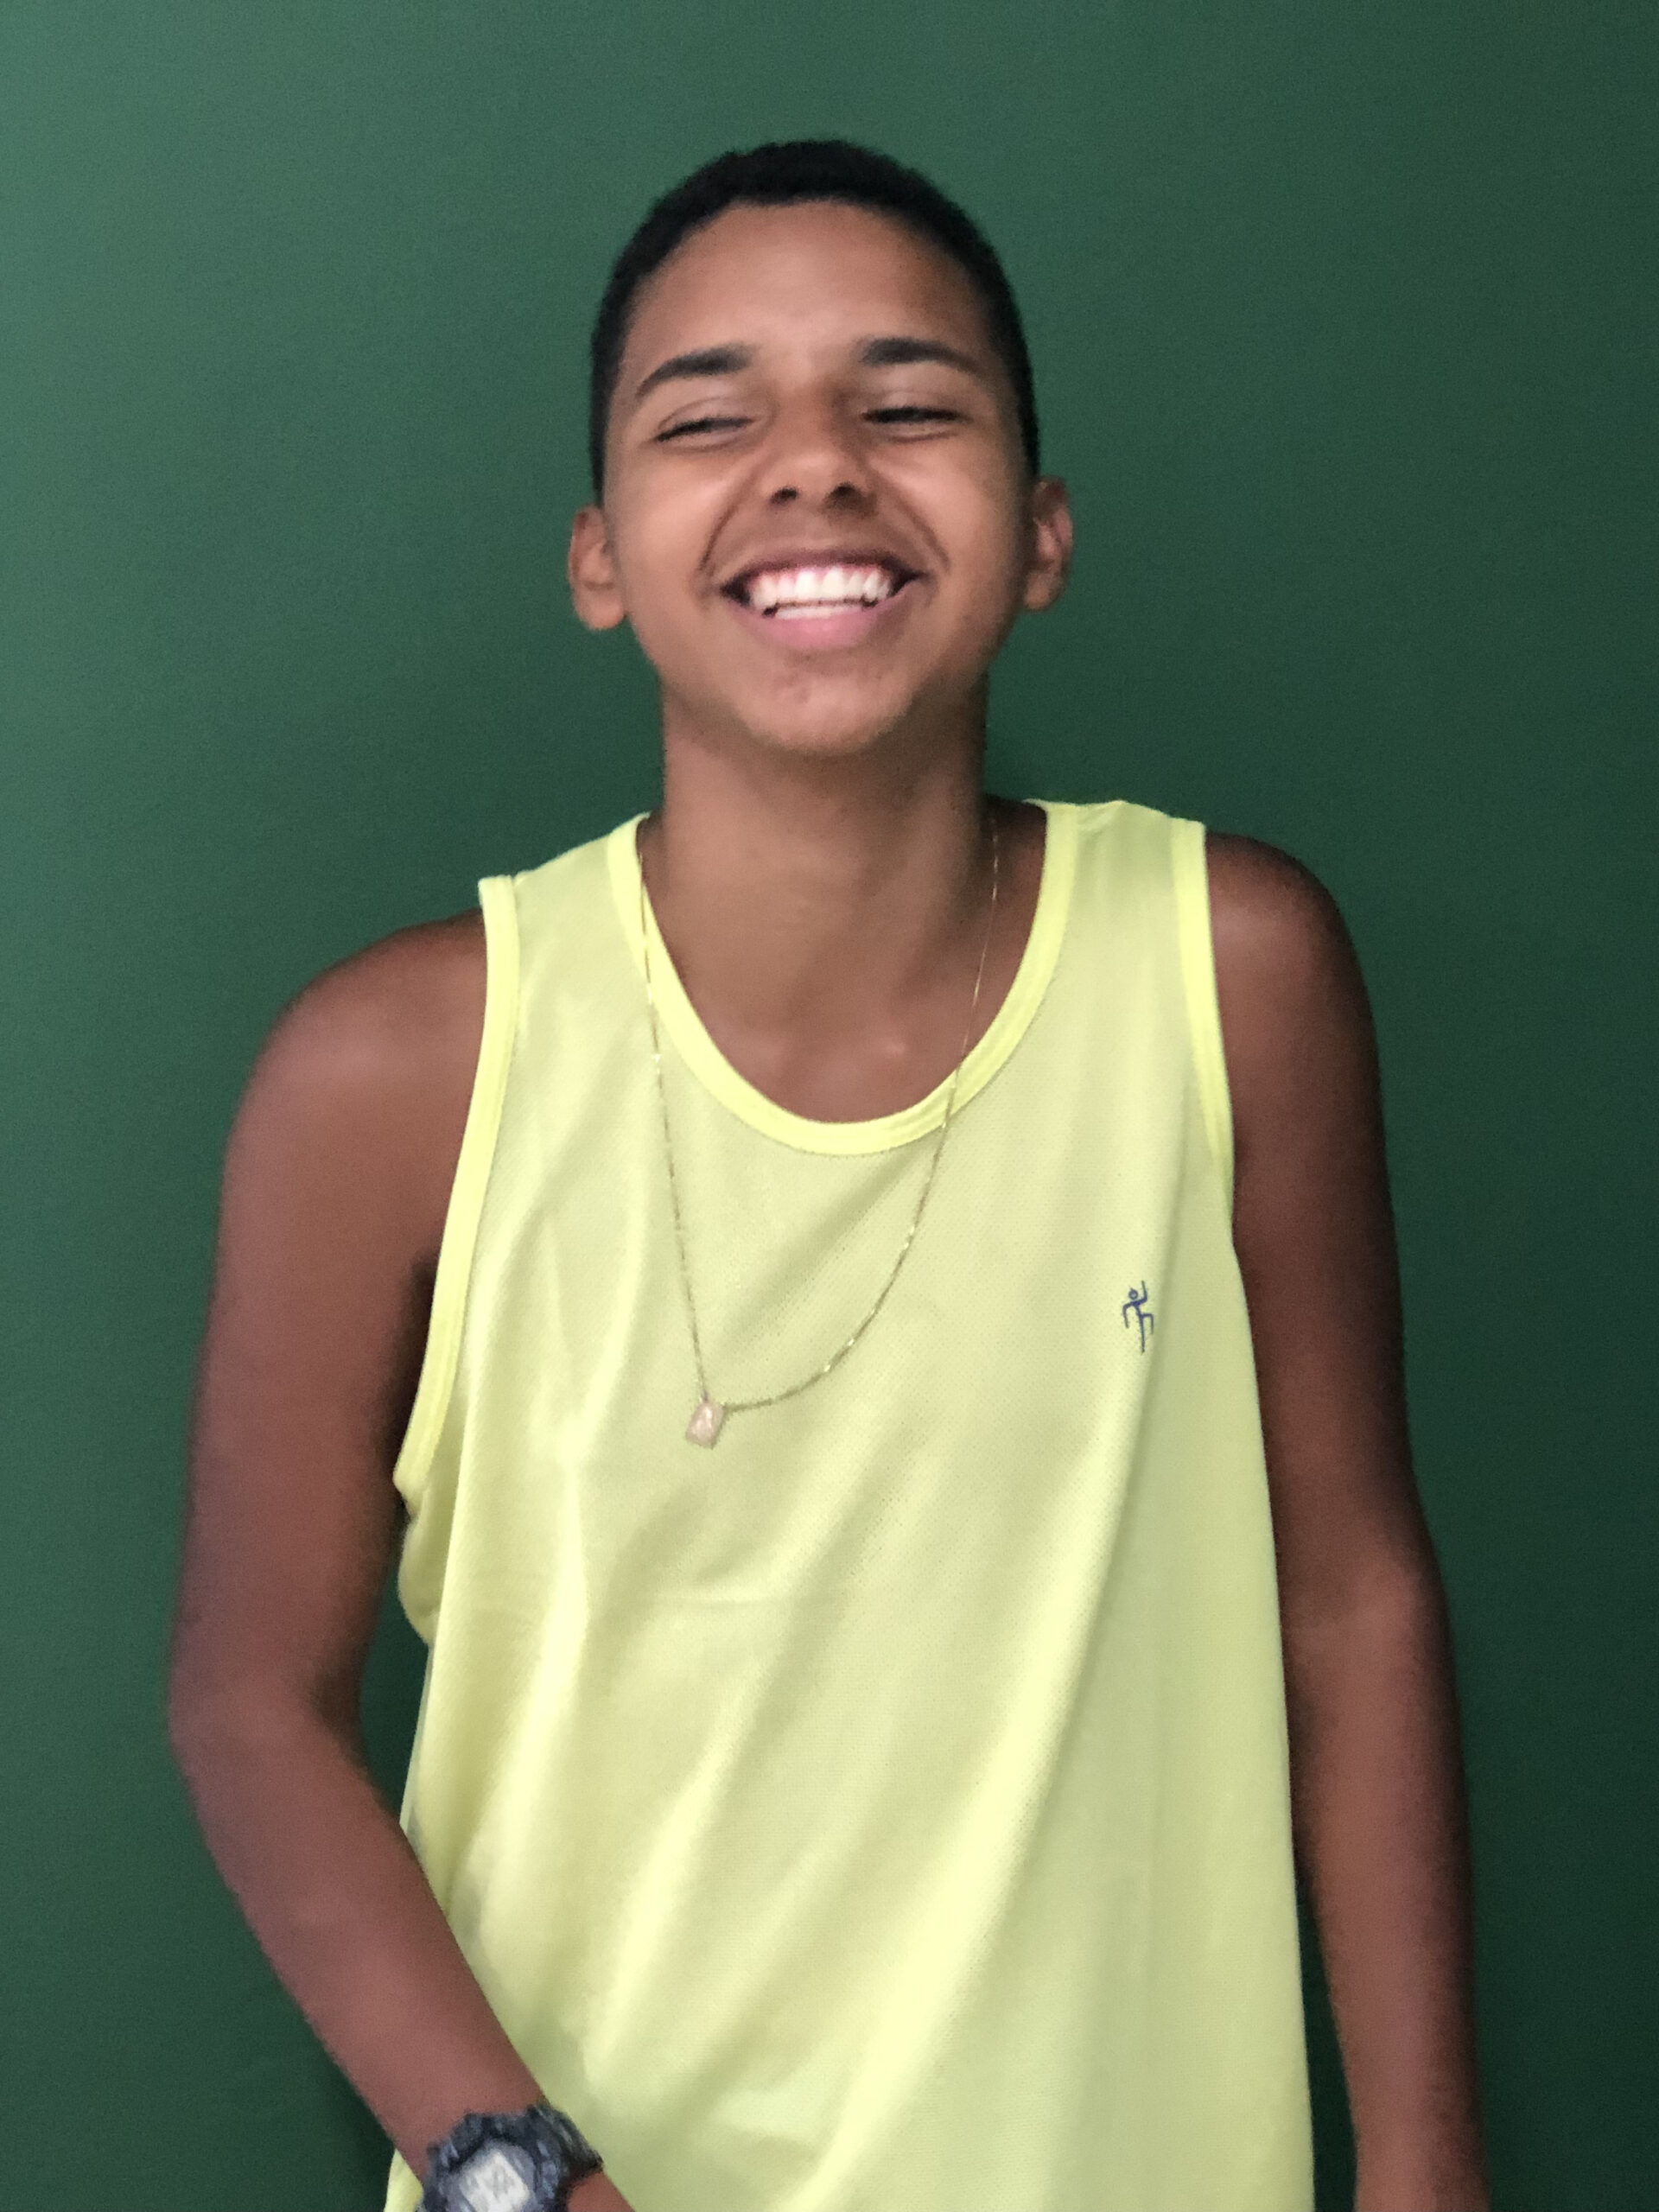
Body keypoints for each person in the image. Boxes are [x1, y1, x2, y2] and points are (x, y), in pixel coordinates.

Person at [168, 140, 1490, 2212]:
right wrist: (523, 2173)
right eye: (709, 419)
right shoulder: (394, 1074)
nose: (814, 467)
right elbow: (250, 1702)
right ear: (599, 554)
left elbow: (1356, 1593)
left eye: (909, 403)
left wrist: (1424, 2155)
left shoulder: (1231, 975)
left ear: (1039, 533)